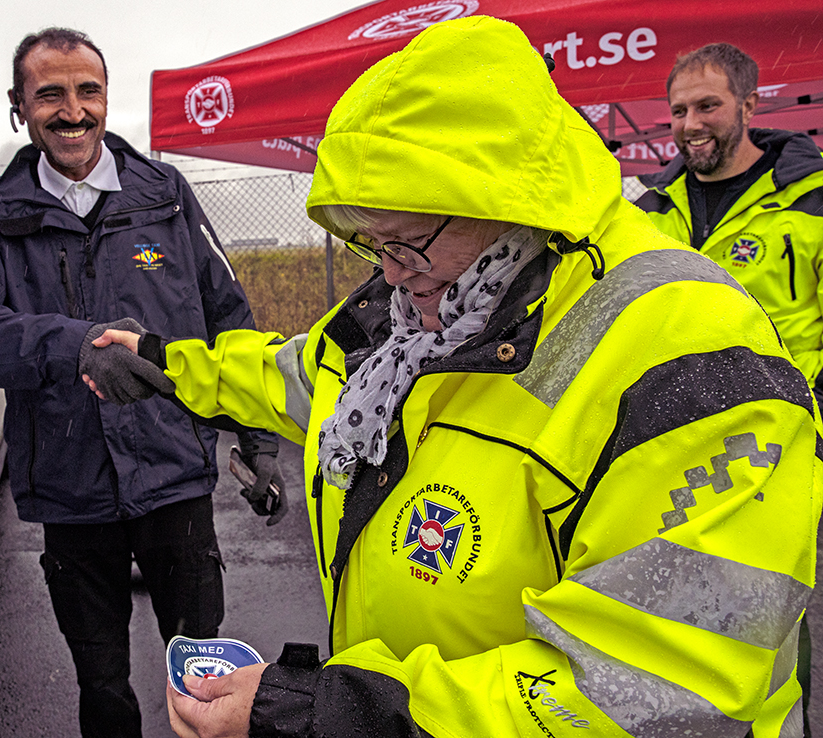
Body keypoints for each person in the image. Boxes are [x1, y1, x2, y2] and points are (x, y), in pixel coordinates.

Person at [82, 16, 820, 738]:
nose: (393, 275)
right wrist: (165, 362)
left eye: (405, 242)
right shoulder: (425, 309)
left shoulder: (691, 360)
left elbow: (663, 690)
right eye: (370, 244)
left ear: (508, 200)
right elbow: (301, 377)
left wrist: (333, 715)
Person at [0, 27, 284, 738]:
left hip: (173, 479)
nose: (73, 111)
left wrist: (259, 435)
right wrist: (74, 344)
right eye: (49, 93)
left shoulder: (165, 194)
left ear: (106, 97)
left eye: (88, 91)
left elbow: (229, 317)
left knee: (203, 672)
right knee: (102, 685)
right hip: (70, 490)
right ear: (19, 106)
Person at [636, 43, 823, 396]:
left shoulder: (812, 195)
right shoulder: (648, 208)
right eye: (679, 111)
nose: (691, 125)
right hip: (676, 421)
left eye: (707, 106)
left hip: (793, 415)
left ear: (748, 105)